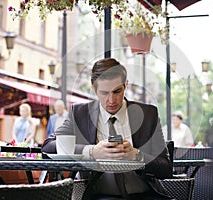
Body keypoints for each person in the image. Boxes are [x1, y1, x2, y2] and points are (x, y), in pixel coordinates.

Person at [42, 58, 172, 199]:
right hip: (98, 196)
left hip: (144, 195)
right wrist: (91, 152)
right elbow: (47, 147)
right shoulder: (80, 114)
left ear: (125, 85)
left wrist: (137, 156)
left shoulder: (147, 114)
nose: (111, 100)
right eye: (104, 93)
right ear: (93, 88)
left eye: (117, 91)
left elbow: (165, 168)